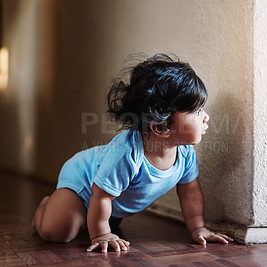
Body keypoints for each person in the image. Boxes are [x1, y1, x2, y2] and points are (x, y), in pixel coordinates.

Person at [33, 53, 233, 253]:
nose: (205, 116)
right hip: (84, 184)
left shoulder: (185, 152)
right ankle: (47, 206)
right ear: (161, 127)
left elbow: (190, 193)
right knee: (58, 233)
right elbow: (101, 196)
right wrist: (101, 233)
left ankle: (96, 218)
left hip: (111, 197)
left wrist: (198, 227)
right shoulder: (127, 154)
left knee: (109, 213)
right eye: (197, 112)